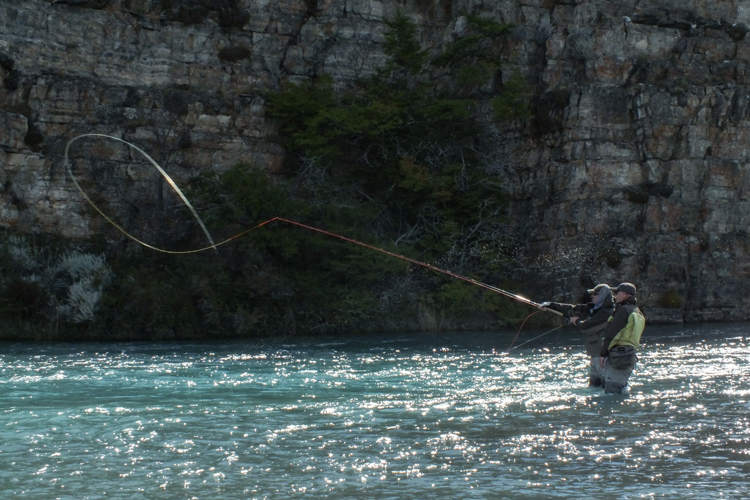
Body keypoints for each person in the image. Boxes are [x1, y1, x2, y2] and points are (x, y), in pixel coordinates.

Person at [541, 284, 615, 387]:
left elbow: (587, 326)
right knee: (594, 387)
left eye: (595, 294)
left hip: (603, 357)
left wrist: (577, 321)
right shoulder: (593, 308)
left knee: (605, 387)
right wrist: (550, 305)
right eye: (592, 294)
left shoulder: (608, 312)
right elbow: (572, 309)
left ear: (603, 295)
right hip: (594, 355)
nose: (592, 296)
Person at [599, 282, 646, 394]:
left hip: (618, 355)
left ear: (624, 294)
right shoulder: (638, 312)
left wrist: (602, 354)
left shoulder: (623, 310)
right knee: (621, 388)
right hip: (629, 356)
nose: (615, 296)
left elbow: (612, 334)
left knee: (612, 390)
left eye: (617, 293)